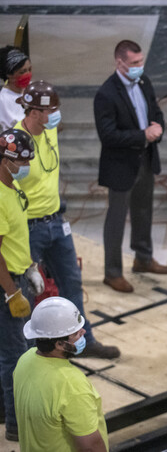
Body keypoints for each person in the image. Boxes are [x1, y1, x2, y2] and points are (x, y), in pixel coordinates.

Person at [16, 81, 119, 359]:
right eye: (52, 109)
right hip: (29, 228)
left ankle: (82, 341)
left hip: (57, 223)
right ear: (35, 112)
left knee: (72, 282)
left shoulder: (50, 130)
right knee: (26, 292)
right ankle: (30, 356)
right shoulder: (16, 142)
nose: (57, 113)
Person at [93, 39, 167, 293]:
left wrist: (158, 128)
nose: (140, 66)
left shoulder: (144, 82)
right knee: (116, 219)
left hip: (145, 160)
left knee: (143, 211)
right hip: (120, 166)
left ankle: (143, 258)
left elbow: (155, 112)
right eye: (135, 63)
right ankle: (112, 272)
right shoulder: (106, 94)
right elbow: (108, 135)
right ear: (120, 63)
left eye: (141, 61)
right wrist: (142, 135)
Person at [15, 297, 108, 452]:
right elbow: (91, 447)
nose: (83, 333)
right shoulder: (71, 385)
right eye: (77, 333)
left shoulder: (25, 360)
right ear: (59, 344)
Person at [0, 128, 35, 442]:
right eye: (23, 160)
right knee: (14, 356)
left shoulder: (13, 187)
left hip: (19, 276)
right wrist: (12, 291)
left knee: (24, 351)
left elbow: (16, 237)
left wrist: (31, 267)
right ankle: (15, 426)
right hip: (6, 286)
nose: (26, 166)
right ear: (7, 159)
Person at [0, 46, 32, 131]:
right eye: (22, 72)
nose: (28, 74)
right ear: (9, 75)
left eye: (29, 69)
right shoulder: (2, 100)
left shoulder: (33, 89)